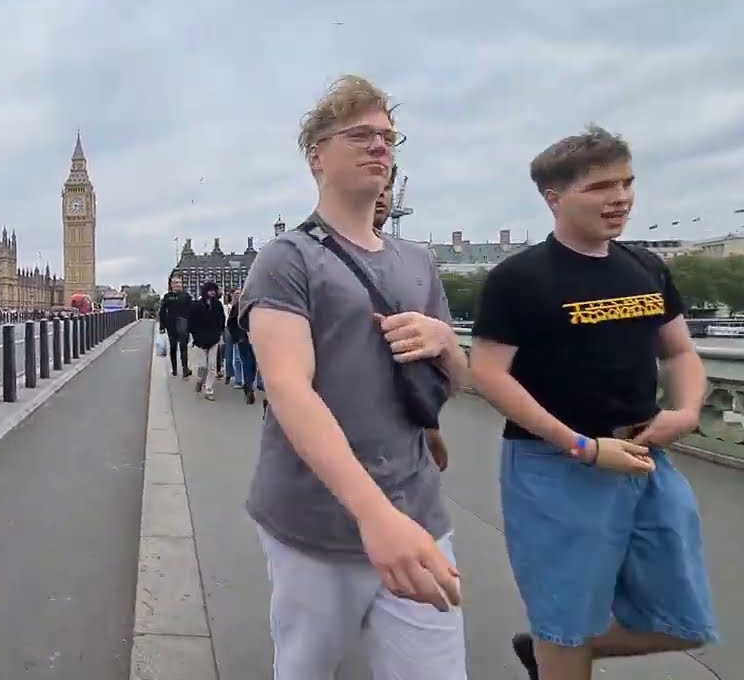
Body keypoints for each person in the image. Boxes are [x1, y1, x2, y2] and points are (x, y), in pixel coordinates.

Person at [237, 74, 469, 678]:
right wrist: (374, 516)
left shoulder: (418, 260)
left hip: (417, 514)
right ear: (316, 156)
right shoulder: (286, 259)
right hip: (316, 525)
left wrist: (446, 340)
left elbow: (460, 379)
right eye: (361, 135)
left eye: (389, 138)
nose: (380, 148)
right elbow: (289, 389)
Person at [469, 126, 717, 680]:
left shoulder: (645, 266)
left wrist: (687, 410)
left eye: (627, 183)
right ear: (554, 197)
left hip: (645, 455)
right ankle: (557, 653)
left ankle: (547, 654)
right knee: (567, 624)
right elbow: (487, 372)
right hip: (556, 466)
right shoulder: (521, 278)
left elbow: (678, 351)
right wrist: (580, 446)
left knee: (684, 622)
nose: (621, 197)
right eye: (602, 186)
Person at [374, 173, 449, 472]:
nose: (381, 194)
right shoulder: (298, 256)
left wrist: (430, 423)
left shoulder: (418, 259)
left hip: (405, 439)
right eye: (374, 185)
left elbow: (441, 351)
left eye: (388, 187)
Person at [188, 280, 225, 400]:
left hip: (214, 339)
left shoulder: (218, 305)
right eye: (210, 290)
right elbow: (191, 322)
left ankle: (208, 389)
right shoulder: (196, 305)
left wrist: (219, 332)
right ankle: (200, 379)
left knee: (212, 366)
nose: (212, 293)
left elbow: (221, 320)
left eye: (214, 290)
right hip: (200, 340)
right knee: (203, 366)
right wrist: (195, 336)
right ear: (205, 291)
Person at [158, 276, 194, 378]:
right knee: (173, 347)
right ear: (171, 285)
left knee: (183, 347)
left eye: (179, 282)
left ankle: (185, 369)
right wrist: (162, 325)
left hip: (184, 324)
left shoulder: (186, 296)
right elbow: (162, 312)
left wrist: (192, 325)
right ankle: (174, 369)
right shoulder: (167, 297)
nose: (177, 284)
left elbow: (192, 310)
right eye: (175, 283)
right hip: (171, 325)